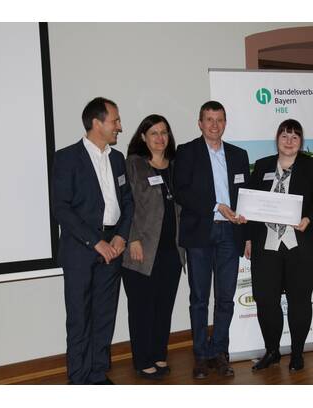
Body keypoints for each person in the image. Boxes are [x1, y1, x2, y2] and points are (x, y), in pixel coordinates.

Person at [52, 97, 134, 385]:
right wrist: (95, 242)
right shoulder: (66, 158)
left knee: (104, 315)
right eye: (115, 120)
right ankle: (79, 379)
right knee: (79, 317)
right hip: (80, 248)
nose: (119, 126)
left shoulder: (117, 159)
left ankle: (98, 374)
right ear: (97, 123)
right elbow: (61, 208)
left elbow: (128, 202)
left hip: (113, 246)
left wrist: (121, 235)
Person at [243, 119, 313, 372]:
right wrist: (248, 238)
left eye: (295, 137)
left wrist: (309, 219)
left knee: (299, 300)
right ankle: (272, 351)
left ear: (301, 142)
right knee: (265, 300)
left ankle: (297, 353)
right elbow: (249, 205)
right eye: (284, 136)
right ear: (277, 139)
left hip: (301, 246)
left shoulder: (312, 167)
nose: (289, 141)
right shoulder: (262, 166)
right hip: (266, 245)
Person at [174, 100, 250, 379]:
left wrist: (247, 231)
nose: (214, 125)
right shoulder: (187, 152)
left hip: (231, 233)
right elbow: (181, 191)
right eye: (209, 119)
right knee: (199, 299)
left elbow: (246, 196)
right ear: (200, 123)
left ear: (225, 123)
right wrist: (217, 206)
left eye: (219, 120)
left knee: (226, 298)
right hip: (200, 233)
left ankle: (219, 352)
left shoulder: (239, 155)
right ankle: (200, 355)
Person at [121, 114, 185, 380]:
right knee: (142, 309)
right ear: (143, 137)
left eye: (164, 132)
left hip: (172, 250)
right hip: (142, 250)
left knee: (163, 307)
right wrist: (132, 238)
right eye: (154, 133)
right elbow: (126, 204)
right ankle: (142, 359)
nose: (160, 138)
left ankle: (159, 354)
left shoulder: (176, 166)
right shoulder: (134, 164)